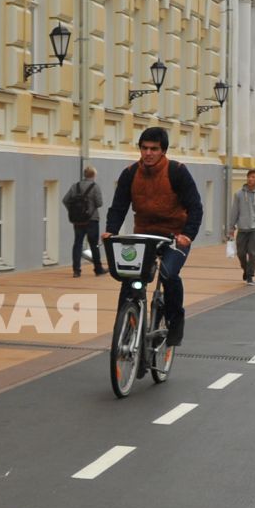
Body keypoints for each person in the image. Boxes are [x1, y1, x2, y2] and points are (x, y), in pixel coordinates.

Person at [105, 127, 203, 347]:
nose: (148, 153)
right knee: (130, 279)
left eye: (154, 149)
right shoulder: (130, 173)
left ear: (163, 151)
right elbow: (118, 207)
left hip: (174, 237)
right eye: (144, 148)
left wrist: (187, 235)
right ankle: (124, 328)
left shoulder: (177, 172)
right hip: (144, 235)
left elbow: (195, 207)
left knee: (168, 274)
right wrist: (111, 230)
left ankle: (175, 322)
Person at [62, 166, 105, 277]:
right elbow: (99, 203)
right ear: (94, 175)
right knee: (94, 245)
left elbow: (65, 200)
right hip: (92, 220)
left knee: (77, 244)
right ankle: (98, 269)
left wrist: (73, 211)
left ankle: (76, 270)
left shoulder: (75, 186)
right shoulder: (95, 187)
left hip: (78, 221)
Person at [228, 169, 255, 283]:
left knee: (252, 253)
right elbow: (234, 211)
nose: (250, 179)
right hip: (242, 228)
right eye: (249, 177)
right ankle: (246, 269)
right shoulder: (239, 194)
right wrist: (231, 227)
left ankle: (250, 275)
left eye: (253, 177)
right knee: (241, 253)